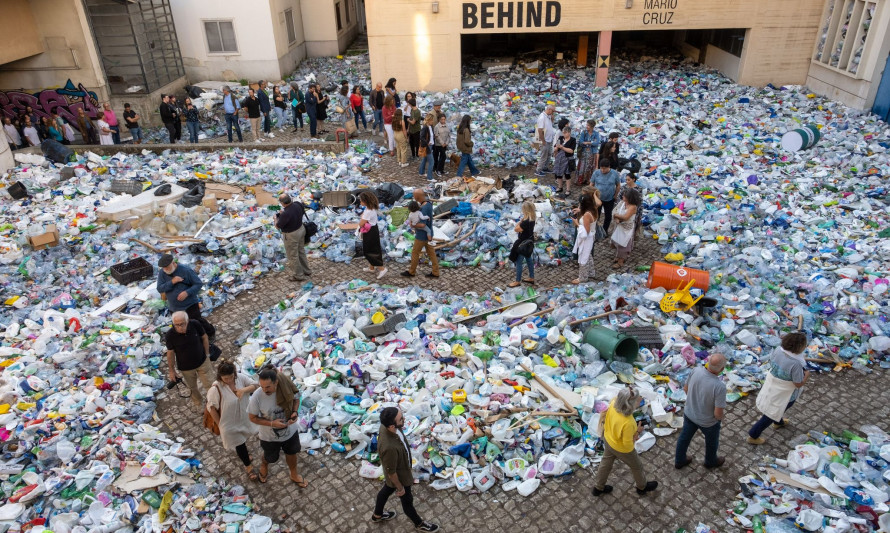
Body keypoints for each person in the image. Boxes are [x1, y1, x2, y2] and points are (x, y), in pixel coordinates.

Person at [371, 407, 440, 531]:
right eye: (401, 419)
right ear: (392, 426)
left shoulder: (387, 426)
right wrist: (400, 488)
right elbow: (391, 472)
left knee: (386, 490)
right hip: (400, 477)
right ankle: (419, 524)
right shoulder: (389, 447)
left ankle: (377, 515)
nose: (404, 419)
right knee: (407, 501)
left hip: (398, 469)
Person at [592, 387, 659, 497]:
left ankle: (598, 487)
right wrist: (637, 431)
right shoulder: (628, 422)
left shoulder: (613, 402)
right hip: (621, 448)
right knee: (637, 466)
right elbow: (627, 445)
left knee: (606, 463)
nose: (640, 400)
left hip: (608, 439)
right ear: (630, 404)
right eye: (638, 400)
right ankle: (642, 487)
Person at [247, 366, 307, 487]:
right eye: (262, 386)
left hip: (290, 432)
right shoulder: (257, 397)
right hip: (269, 437)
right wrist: (272, 423)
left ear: (276, 382)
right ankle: (264, 464)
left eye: (268, 387)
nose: (264, 390)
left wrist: (294, 412)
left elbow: (296, 399)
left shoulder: (285, 387)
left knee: (292, 453)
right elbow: (252, 417)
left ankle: (294, 474)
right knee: (270, 458)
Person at [748, 332, 810, 445]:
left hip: (773, 383)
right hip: (786, 392)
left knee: (777, 408)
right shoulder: (796, 363)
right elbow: (798, 384)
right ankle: (753, 434)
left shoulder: (778, 350)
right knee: (772, 412)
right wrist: (806, 376)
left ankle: (779, 422)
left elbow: (771, 362)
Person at [206, 361, 260, 482]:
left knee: (245, 437)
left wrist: (244, 390)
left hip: (243, 417)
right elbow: (211, 408)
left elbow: (256, 385)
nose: (229, 380)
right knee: (240, 444)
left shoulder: (240, 378)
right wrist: (220, 424)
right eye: (226, 378)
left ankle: (245, 455)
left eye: (231, 377)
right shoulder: (216, 389)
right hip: (229, 423)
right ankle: (248, 467)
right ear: (220, 376)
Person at [675, 353, 727, 470]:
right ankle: (710, 461)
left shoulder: (695, 370)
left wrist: (695, 402)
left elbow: (685, 389)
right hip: (708, 422)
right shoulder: (719, 387)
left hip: (690, 413)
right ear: (722, 369)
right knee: (712, 441)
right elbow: (717, 414)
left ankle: (679, 460)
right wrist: (719, 419)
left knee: (684, 437)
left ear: (708, 362)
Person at [156, 254, 216, 338]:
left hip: (189, 304)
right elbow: (159, 288)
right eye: (164, 268)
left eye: (167, 267)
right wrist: (172, 281)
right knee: (179, 325)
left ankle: (210, 333)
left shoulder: (185, 270)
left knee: (197, 321)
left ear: (173, 263)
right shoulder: (163, 273)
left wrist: (187, 292)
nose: (166, 270)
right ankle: (192, 339)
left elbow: (198, 284)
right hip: (174, 307)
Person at [165, 311, 213, 410]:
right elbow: (170, 353)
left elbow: (204, 337)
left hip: (202, 361)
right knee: (192, 388)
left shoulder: (195, 324)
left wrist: (207, 354)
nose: (179, 327)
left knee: (210, 384)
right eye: (176, 325)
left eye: (182, 324)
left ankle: (215, 403)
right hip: (186, 368)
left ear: (187, 321)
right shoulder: (170, 335)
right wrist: (171, 370)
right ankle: (199, 404)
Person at [401, 190, 439, 279]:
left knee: (415, 253)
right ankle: (435, 272)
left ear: (417, 197)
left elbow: (422, 224)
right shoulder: (428, 204)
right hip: (429, 233)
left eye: (414, 196)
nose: (414, 198)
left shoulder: (424, 208)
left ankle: (412, 271)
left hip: (422, 235)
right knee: (431, 253)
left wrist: (413, 225)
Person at [275, 193, 311, 282]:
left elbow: (278, 226)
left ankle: (299, 275)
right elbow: (298, 213)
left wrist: (275, 218)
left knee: (293, 255)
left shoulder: (285, 214)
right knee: (301, 251)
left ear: (283, 203)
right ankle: (307, 270)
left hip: (292, 235)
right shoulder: (297, 204)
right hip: (301, 229)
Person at [358, 191, 387, 279]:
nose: (360, 202)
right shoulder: (372, 208)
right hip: (374, 229)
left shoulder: (367, 212)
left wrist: (361, 219)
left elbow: (361, 223)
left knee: (369, 251)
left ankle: (382, 269)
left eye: (361, 200)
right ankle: (371, 267)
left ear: (365, 201)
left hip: (369, 232)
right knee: (374, 248)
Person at [610, 188, 641, 269]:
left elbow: (626, 217)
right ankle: (617, 256)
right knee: (617, 241)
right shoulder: (622, 203)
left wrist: (616, 216)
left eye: (625, 195)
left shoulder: (633, 207)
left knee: (623, 244)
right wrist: (616, 218)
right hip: (619, 225)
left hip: (626, 228)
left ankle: (621, 261)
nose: (623, 196)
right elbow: (614, 211)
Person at [508, 201, 536, 288]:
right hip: (529, 242)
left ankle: (517, 281)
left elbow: (516, 229)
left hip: (522, 244)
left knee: (518, 261)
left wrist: (520, 222)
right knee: (528, 259)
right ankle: (531, 277)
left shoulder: (525, 222)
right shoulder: (533, 218)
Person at [572, 191, 598, 284]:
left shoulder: (587, 215)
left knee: (584, 256)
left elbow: (585, 231)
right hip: (591, 235)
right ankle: (591, 272)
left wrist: (577, 224)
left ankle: (583, 277)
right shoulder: (594, 209)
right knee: (588, 254)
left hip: (587, 238)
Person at [593, 159, 622, 233]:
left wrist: (615, 195)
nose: (602, 170)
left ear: (609, 167)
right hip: (598, 199)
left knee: (608, 216)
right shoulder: (596, 173)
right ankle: (596, 230)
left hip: (609, 199)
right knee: (596, 215)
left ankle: (605, 230)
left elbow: (618, 185)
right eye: (601, 168)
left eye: (604, 168)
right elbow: (591, 184)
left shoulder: (614, 173)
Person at [553, 126, 576, 197]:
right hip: (559, 158)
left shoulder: (573, 140)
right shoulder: (560, 138)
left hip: (567, 159)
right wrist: (556, 148)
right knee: (559, 173)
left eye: (565, 133)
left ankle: (568, 190)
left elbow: (571, 150)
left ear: (569, 133)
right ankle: (560, 187)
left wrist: (562, 147)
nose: (564, 134)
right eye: (563, 133)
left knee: (567, 174)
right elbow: (555, 147)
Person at [577, 119, 600, 185]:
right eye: (587, 125)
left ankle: (588, 180)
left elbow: (597, 143)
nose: (587, 126)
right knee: (582, 167)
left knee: (590, 167)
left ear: (592, 126)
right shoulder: (584, 133)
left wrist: (587, 143)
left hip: (592, 153)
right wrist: (591, 143)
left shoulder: (596, 134)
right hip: (584, 153)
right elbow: (581, 142)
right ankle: (580, 180)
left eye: (588, 125)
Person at [534, 105, 556, 177]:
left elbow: (550, 125)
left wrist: (552, 118)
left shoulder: (548, 116)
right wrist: (543, 140)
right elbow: (540, 130)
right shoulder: (542, 117)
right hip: (545, 140)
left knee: (549, 154)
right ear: (549, 109)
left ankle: (545, 167)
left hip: (549, 139)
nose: (553, 113)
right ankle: (538, 170)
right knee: (544, 156)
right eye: (552, 111)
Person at [417, 114, 435, 181]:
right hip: (427, 146)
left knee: (424, 159)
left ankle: (421, 172)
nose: (433, 121)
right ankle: (429, 177)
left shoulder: (430, 126)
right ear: (429, 120)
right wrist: (427, 143)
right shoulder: (425, 127)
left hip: (430, 145)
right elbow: (421, 137)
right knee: (431, 162)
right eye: (432, 120)